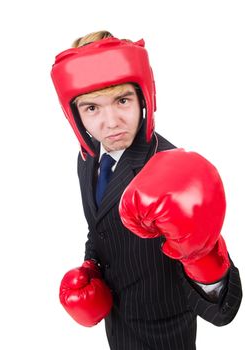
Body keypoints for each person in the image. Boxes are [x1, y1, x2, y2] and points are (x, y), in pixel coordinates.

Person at [51, 30, 241, 349]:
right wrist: (91, 266)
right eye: (92, 108)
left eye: (121, 100)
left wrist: (203, 258)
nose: (110, 122)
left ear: (143, 97)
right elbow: (98, 228)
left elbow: (225, 309)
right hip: (119, 325)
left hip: (166, 333)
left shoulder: (171, 170)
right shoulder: (89, 158)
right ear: (75, 114)